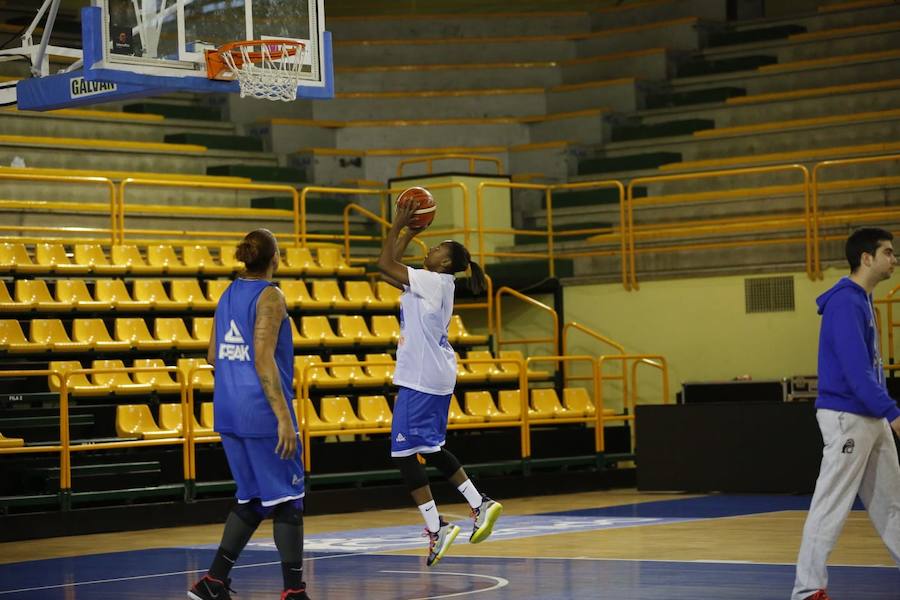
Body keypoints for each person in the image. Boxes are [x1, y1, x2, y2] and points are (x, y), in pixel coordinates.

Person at [377, 200, 503, 567]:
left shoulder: (432, 282)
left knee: (403, 455)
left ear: (445, 263)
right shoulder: (433, 282)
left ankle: (439, 526)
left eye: (435, 249)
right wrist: (409, 233)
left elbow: (384, 264)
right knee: (429, 449)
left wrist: (399, 223)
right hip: (433, 375)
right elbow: (387, 272)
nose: (429, 250)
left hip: (420, 377)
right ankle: (478, 504)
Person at [189, 229, 310, 600]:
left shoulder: (227, 294)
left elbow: (212, 355)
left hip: (227, 408)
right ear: (275, 258)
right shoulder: (270, 296)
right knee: (289, 501)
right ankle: (294, 592)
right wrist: (284, 418)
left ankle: (213, 582)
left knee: (253, 499)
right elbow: (261, 357)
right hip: (260, 412)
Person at [792, 227, 900, 600]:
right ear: (866, 258)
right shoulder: (845, 303)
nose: (894, 259)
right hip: (848, 416)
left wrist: (884, 411)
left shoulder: (863, 300)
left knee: (891, 503)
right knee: (831, 504)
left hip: (870, 415)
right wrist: (893, 412)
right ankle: (808, 591)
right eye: (887, 252)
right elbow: (856, 372)